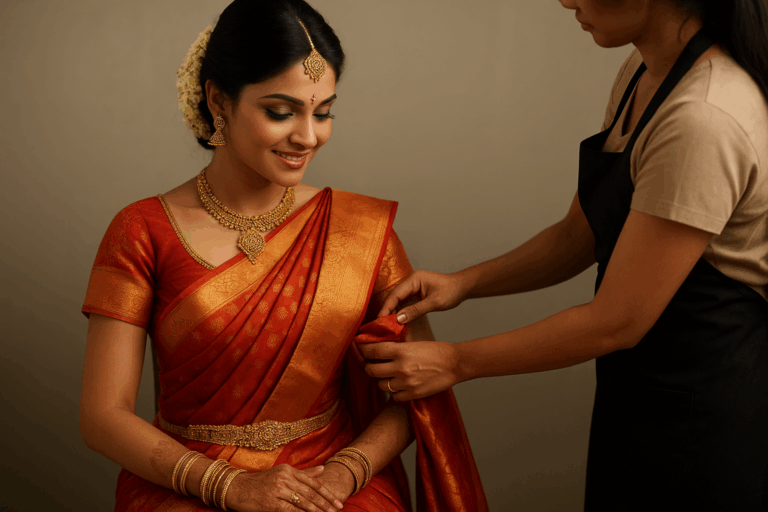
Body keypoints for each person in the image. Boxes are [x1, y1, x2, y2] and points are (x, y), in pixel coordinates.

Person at [79, 1, 488, 511]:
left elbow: (417, 383)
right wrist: (228, 486)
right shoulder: (142, 230)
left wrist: (344, 473)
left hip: (332, 479)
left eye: (323, 112)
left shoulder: (359, 231)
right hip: (185, 481)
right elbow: (102, 416)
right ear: (218, 101)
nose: (308, 136)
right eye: (280, 112)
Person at [367, 0, 768, 509]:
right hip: (640, 392)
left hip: (704, 414)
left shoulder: (703, 118)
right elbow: (575, 236)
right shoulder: (642, 71)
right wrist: (461, 284)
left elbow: (616, 323)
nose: (566, 0)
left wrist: (455, 361)